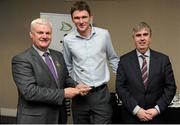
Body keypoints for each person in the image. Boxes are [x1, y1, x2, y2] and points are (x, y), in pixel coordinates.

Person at [11, 18, 90, 124]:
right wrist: (63, 94)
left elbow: (65, 78)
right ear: (31, 34)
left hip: (59, 117)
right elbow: (29, 92)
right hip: (35, 119)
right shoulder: (21, 59)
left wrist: (76, 85)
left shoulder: (58, 55)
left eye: (48, 33)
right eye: (40, 32)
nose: (44, 36)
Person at [63, 0, 119, 124]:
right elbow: (67, 66)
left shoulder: (104, 34)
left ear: (90, 17)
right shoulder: (68, 40)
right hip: (80, 96)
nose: (81, 21)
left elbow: (113, 59)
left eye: (84, 17)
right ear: (72, 19)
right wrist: (75, 84)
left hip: (101, 95)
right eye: (77, 18)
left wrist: (123, 81)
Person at [116, 22, 176, 123]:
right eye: (138, 35)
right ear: (133, 39)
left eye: (145, 34)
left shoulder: (163, 60)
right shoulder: (124, 61)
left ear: (150, 38)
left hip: (157, 117)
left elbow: (171, 87)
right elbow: (120, 88)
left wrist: (156, 109)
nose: (142, 38)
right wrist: (137, 110)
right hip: (132, 117)